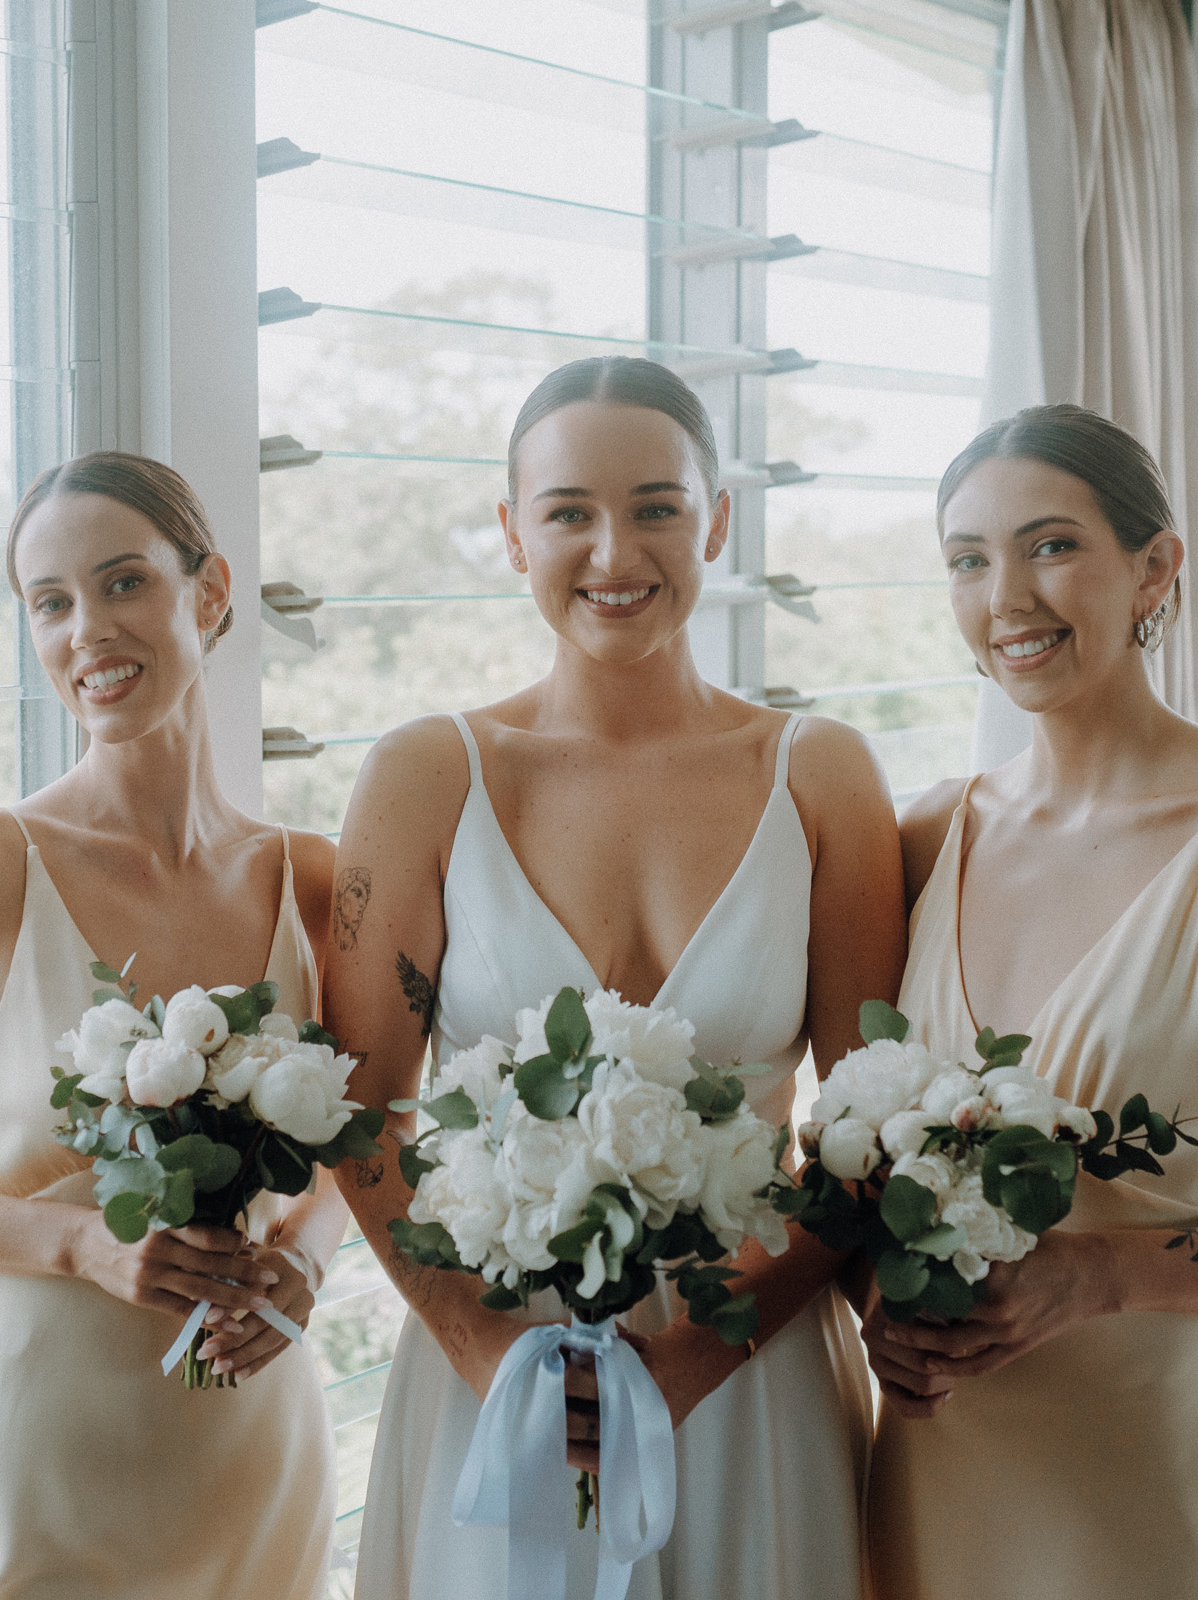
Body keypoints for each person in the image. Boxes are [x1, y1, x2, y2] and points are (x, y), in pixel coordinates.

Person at [330, 357, 907, 1600]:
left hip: (749, 1368)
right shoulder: (427, 775)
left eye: (656, 506)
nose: (612, 551)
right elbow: (361, 1109)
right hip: (500, 1366)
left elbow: (869, 1130)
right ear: (509, 531)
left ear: (719, 521)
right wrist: (492, 1355)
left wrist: (694, 1358)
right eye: (567, 512)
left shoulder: (823, 775)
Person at [862, 406, 1198, 1600]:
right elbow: (852, 1142)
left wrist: (1103, 1274)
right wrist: (878, 1292)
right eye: (968, 558)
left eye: (1050, 545)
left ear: (1155, 566)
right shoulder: (922, 835)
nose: (1007, 594)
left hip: (1153, 1470)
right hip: (936, 1451)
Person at [0, 452, 344, 1599]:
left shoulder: (311, 883)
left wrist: (306, 1259)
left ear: (208, 593)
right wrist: (80, 1244)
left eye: (122, 583)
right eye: (50, 603)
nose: (86, 629)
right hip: (50, 1461)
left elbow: (370, 1134)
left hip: (257, 1447)